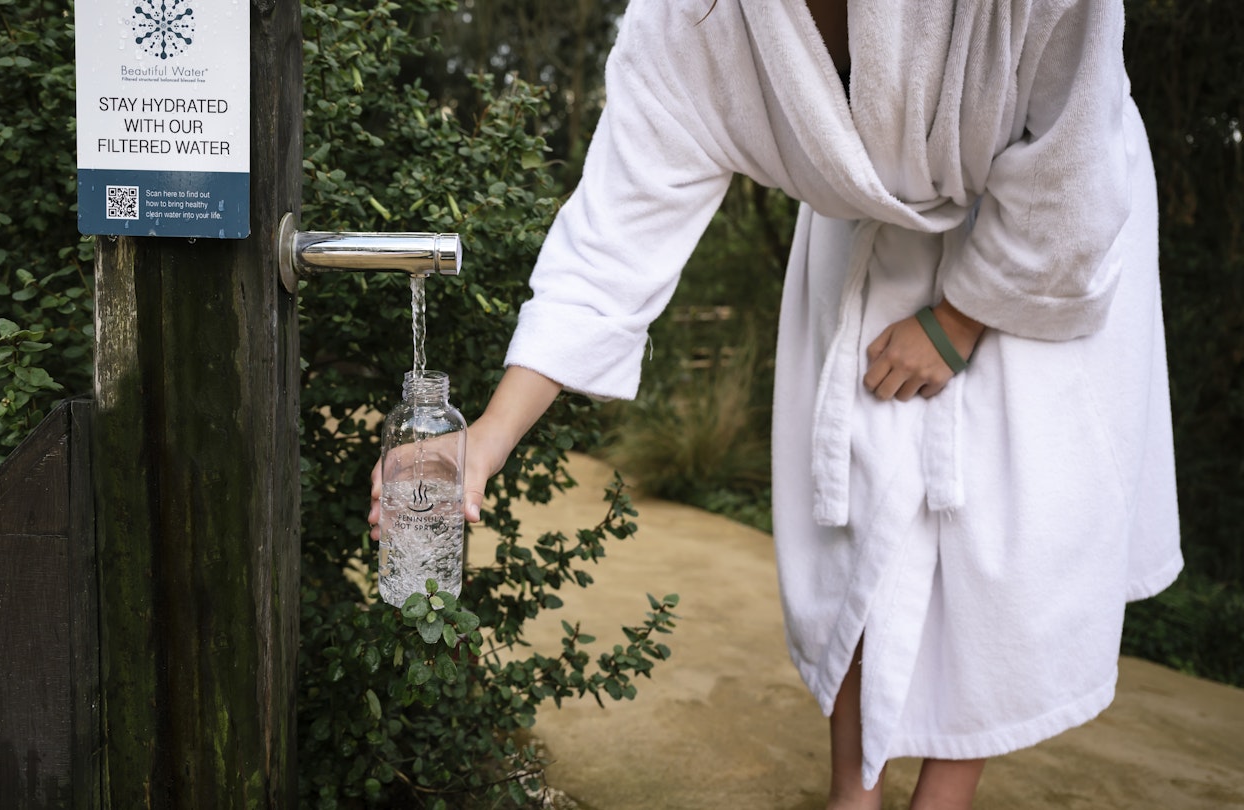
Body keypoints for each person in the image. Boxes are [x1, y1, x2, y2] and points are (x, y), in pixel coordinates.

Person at [369, 0, 1182, 807]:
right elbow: (613, 238)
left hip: (1044, 236)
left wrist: (963, 318)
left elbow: (1074, 153)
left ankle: (945, 796)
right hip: (869, 231)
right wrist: (486, 440)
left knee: (990, 534)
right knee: (860, 517)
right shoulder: (694, 21)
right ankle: (852, 796)